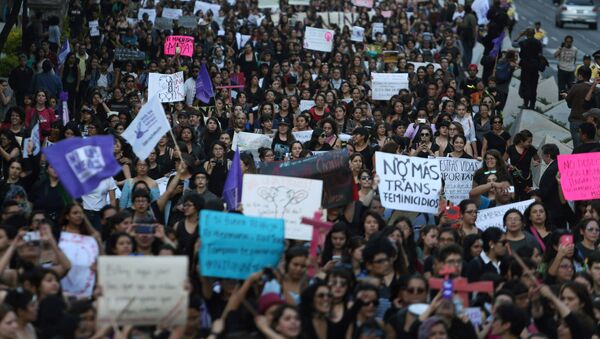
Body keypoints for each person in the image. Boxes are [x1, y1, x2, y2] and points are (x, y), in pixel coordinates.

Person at [566, 66, 593, 148]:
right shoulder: (594, 89)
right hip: (590, 123)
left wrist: (566, 96)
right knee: (589, 147)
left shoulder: (576, 87)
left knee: (578, 147)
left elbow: (569, 102)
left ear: (580, 76)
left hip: (576, 120)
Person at [517, 28, 543, 110]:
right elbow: (540, 54)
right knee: (533, 86)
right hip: (535, 67)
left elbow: (521, 55)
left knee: (526, 85)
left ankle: (525, 103)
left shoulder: (524, 43)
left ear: (526, 34)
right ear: (534, 34)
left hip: (526, 67)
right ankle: (532, 105)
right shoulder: (538, 43)